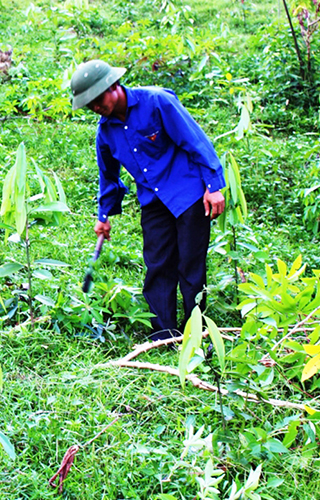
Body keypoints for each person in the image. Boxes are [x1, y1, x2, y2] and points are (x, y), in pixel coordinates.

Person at [70, 59, 226, 341]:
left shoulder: (156, 101)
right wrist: (103, 216)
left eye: (98, 100)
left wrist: (213, 185)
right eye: (89, 105)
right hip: (153, 201)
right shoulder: (105, 132)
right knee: (157, 265)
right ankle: (164, 335)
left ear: (113, 86)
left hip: (188, 193)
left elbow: (196, 141)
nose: (96, 107)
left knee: (190, 265)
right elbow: (108, 176)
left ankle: (196, 331)